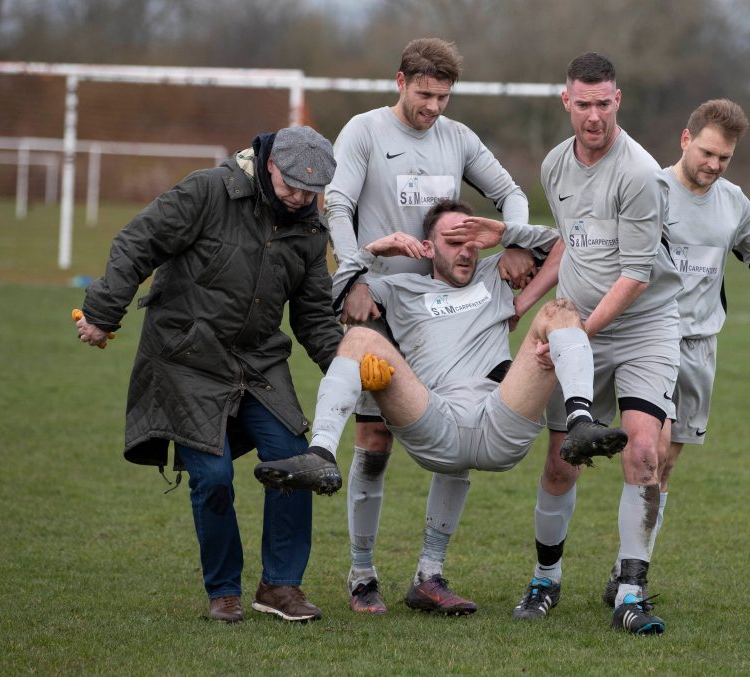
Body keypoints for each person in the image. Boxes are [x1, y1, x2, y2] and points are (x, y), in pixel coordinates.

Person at [255, 199, 628, 615]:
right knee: (358, 339)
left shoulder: (496, 274)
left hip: (498, 418)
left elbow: (567, 245)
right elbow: (331, 298)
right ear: (428, 248)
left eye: (472, 242)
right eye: (454, 242)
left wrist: (506, 236)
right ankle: (321, 453)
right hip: (435, 420)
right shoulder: (396, 288)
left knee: (560, 311)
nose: (467, 250)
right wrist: (373, 252)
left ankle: (579, 420)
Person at [72, 126, 343, 624]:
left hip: (258, 361)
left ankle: (280, 587)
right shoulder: (207, 191)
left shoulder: (310, 229)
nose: (301, 199)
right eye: (292, 186)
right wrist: (104, 311)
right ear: (268, 165)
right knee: (213, 477)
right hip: (186, 359)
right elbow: (138, 241)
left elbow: (315, 319)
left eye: (312, 191)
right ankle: (224, 590)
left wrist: (349, 373)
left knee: (294, 461)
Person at [324, 37, 536, 615]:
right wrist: (354, 276)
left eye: (443, 96)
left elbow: (510, 193)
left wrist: (512, 240)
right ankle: (362, 573)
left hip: (453, 310)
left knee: (463, 430)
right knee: (373, 439)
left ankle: (430, 574)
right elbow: (337, 203)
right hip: (386, 307)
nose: (434, 107)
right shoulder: (364, 132)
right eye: (424, 94)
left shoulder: (458, 137)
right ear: (400, 82)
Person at [507, 53, 681, 634]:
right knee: (561, 464)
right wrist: (525, 302)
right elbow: (568, 244)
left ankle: (630, 592)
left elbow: (635, 275)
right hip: (582, 329)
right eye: (583, 104)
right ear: (566, 102)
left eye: (603, 103)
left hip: (643, 329)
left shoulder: (639, 174)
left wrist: (577, 335)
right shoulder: (555, 165)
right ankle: (544, 580)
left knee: (644, 452)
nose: (594, 116)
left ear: (618, 100)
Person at [653, 98, 750, 533]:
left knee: (666, 464)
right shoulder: (650, 191)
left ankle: (629, 569)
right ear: (685, 140)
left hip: (700, 346)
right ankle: (632, 576)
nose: (715, 164)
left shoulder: (734, 204)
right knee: (652, 450)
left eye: (725, 157)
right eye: (707, 152)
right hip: (651, 339)